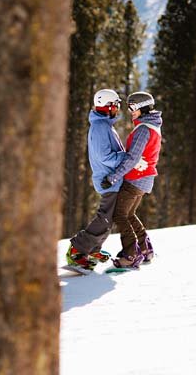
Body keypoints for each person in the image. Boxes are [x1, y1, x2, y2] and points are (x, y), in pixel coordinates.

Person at [65, 89, 130, 271]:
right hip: (108, 179)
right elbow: (105, 156)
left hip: (111, 179)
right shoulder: (101, 127)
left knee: (108, 219)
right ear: (108, 106)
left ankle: (93, 249)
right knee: (105, 219)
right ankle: (77, 250)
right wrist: (126, 157)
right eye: (116, 105)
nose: (117, 109)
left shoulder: (104, 125)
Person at [101, 91, 162, 269]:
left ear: (141, 108)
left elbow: (132, 158)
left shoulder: (144, 129)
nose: (130, 111)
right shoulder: (151, 125)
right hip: (144, 179)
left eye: (132, 107)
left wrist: (113, 177)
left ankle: (131, 254)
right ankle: (145, 249)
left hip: (136, 179)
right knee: (128, 214)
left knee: (119, 215)